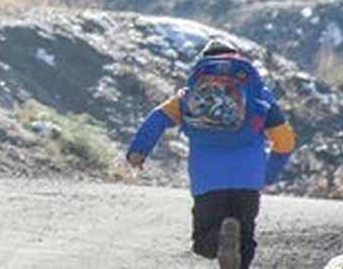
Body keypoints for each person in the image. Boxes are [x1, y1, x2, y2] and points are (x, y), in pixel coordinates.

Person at [126, 37, 296, 269]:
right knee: (244, 242)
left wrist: (138, 151)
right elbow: (285, 141)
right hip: (248, 181)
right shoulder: (260, 96)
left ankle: (217, 239)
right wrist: (269, 174)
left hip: (208, 181)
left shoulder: (188, 96)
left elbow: (157, 118)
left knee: (203, 241)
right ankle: (231, 247)